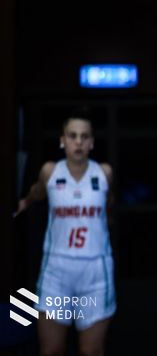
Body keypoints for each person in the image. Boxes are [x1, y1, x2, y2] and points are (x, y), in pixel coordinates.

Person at [16, 107, 115, 356]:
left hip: (94, 273)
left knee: (91, 351)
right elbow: (38, 191)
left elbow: (109, 203)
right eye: (72, 135)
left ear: (91, 142)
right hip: (57, 273)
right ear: (63, 141)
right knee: (51, 350)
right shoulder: (50, 171)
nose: (78, 142)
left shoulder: (104, 173)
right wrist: (25, 201)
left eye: (84, 136)